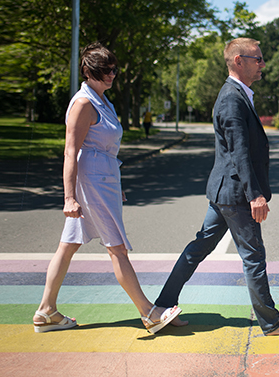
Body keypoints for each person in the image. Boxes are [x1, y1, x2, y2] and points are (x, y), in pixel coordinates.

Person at [150, 38, 279, 336]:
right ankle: (271, 322)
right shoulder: (232, 98)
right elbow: (239, 153)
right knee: (253, 256)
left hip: (223, 192)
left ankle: (162, 305)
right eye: (257, 59)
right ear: (239, 61)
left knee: (198, 249)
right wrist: (255, 194)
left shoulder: (238, 95)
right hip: (236, 194)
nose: (262, 64)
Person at [32, 42, 180, 334]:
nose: (112, 75)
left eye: (114, 69)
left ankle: (46, 311)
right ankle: (148, 313)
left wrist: (115, 184)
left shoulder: (101, 99)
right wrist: (69, 197)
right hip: (93, 181)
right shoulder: (84, 103)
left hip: (103, 179)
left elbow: (105, 149)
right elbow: (70, 151)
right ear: (88, 72)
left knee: (68, 245)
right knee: (118, 248)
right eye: (105, 70)